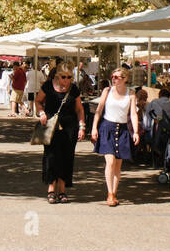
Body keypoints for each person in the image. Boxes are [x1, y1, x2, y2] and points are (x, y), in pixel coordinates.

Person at [36, 66, 86, 204]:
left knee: (67, 157)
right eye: (64, 77)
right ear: (57, 76)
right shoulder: (48, 86)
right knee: (51, 156)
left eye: (69, 77)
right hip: (51, 125)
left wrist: (82, 126)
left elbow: (79, 109)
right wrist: (41, 112)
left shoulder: (74, 89)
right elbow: (38, 101)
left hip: (70, 127)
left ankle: (62, 190)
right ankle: (51, 190)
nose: (67, 80)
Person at [91, 67, 140, 207]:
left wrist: (135, 131)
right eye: (113, 76)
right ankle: (110, 194)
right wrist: (94, 128)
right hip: (107, 128)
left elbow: (133, 114)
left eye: (117, 77)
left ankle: (114, 192)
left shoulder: (131, 94)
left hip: (123, 129)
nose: (114, 79)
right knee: (110, 162)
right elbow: (99, 110)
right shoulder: (107, 91)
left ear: (125, 79)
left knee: (118, 164)